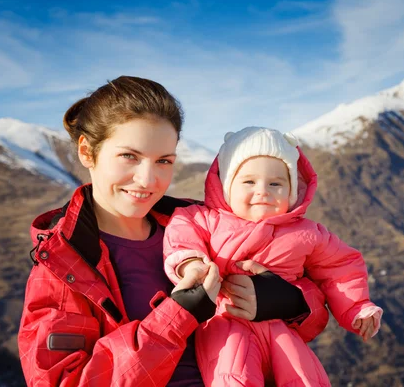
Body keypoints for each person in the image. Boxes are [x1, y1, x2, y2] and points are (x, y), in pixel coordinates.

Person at [17, 77, 329, 387]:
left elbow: (314, 306)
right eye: (130, 156)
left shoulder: (197, 225)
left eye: (163, 161)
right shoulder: (65, 268)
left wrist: (294, 303)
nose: (147, 179)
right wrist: (175, 317)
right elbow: (63, 382)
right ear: (87, 152)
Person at [164, 126, 384, 386]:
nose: (263, 191)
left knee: (303, 377)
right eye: (249, 181)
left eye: (276, 183)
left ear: (292, 191)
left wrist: (357, 306)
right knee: (233, 374)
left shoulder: (307, 233)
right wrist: (191, 265)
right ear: (225, 186)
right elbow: (180, 235)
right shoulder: (205, 219)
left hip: (281, 327)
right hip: (226, 321)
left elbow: (340, 267)